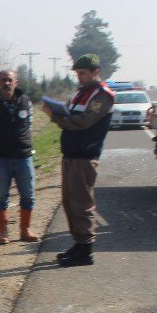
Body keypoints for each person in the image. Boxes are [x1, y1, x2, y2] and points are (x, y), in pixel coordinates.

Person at [40, 54, 114, 267]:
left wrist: (55, 116)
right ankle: (79, 244)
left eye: (83, 73)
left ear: (96, 72)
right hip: (71, 154)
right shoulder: (82, 93)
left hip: (85, 155)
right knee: (70, 202)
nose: (79, 77)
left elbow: (83, 122)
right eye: (77, 73)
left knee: (82, 204)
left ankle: (86, 250)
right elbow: (71, 115)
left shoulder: (102, 95)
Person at [0, 70, 39, 244]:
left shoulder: (26, 102)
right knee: (1, 196)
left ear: (16, 82)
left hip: (23, 156)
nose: (6, 83)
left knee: (28, 195)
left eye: (9, 80)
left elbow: (29, 125)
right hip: (1, 158)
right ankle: (3, 232)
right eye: (3, 80)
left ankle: (25, 230)